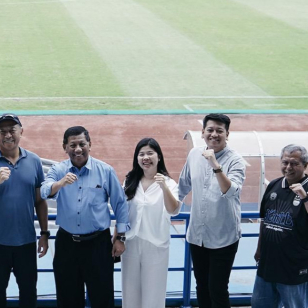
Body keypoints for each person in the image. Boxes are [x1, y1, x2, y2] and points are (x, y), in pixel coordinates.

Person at [40, 126, 128, 308]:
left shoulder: (105, 170)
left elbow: (120, 204)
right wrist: (60, 183)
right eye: (72, 145)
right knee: (68, 298)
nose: (78, 149)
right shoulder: (58, 170)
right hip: (67, 243)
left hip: (98, 244)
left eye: (82, 144)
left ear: (90, 145)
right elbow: (43, 191)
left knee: (102, 297)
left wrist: (120, 237)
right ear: (65, 147)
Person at [0, 113, 49, 308]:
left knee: (28, 292)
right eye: (2, 131)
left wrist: (44, 233)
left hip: (25, 241)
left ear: (21, 132)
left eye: (12, 130)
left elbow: (40, 201)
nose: (8, 135)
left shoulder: (33, 160)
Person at [179, 113, 246, 308]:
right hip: (198, 235)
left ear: (227, 134)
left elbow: (231, 191)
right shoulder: (194, 154)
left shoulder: (235, 160)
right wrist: (167, 208)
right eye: (210, 130)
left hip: (223, 237)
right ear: (202, 133)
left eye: (219, 131)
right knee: (201, 287)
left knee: (217, 288)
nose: (214, 134)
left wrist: (215, 166)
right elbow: (183, 186)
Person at [120, 138, 180, 308]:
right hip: (131, 243)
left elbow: (173, 209)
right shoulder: (130, 181)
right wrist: (118, 237)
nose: (145, 157)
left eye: (150, 153)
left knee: (154, 295)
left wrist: (164, 188)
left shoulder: (169, 183)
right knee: (129, 292)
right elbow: (122, 211)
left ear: (159, 157)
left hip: (156, 245)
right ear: (136, 158)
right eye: (141, 154)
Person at [252, 144, 308, 308]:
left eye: (294, 163)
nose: (288, 167)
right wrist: (259, 248)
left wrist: (304, 197)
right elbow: (264, 220)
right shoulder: (274, 185)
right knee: (259, 304)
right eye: (285, 162)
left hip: (294, 267)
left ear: (305, 165)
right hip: (268, 263)